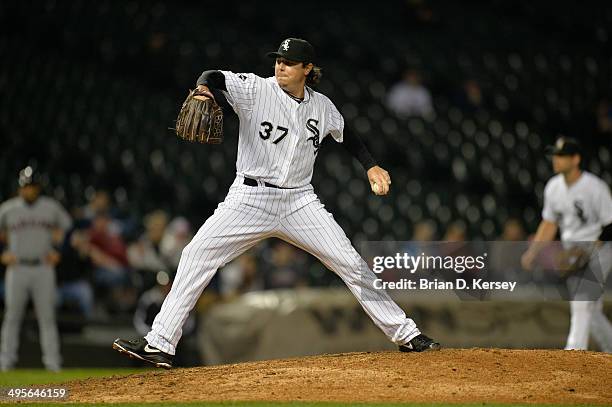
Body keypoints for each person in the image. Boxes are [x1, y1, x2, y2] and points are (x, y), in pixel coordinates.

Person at [113, 37, 440, 369]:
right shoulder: (256, 89)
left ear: (307, 69)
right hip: (250, 198)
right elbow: (213, 75)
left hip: (300, 201)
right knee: (196, 254)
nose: (280, 66)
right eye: (278, 60)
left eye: (289, 62)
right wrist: (202, 89)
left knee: (351, 264)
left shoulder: (322, 106)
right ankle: (160, 343)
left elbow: (347, 134)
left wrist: (371, 165)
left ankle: (407, 334)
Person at [521, 137, 612, 351]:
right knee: (591, 311)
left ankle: (573, 353)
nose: (556, 159)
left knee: (582, 300)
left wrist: (590, 250)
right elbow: (550, 223)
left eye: (561, 155)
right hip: (572, 251)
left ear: (576, 159)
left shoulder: (594, 187)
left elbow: (610, 224)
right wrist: (533, 252)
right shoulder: (553, 187)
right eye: (555, 155)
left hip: (601, 249)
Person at [0, 167, 72, 371]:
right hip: (17, 268)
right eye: (26, 187)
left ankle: (53, 363)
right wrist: (2, 254)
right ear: (20, 188)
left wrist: (59, 251)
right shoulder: (7, 209)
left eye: (32, 187)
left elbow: (68, 229)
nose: (29, 191)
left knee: (47, 317)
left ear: (38, 188)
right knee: (12, 316)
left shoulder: (51, 207)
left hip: (43, 267)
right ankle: (6, 362)